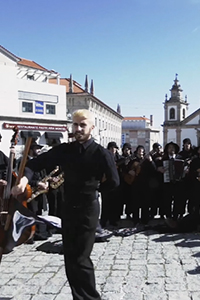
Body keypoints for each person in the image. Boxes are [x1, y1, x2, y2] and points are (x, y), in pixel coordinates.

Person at [12, 109, 119, 299]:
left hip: (88, 209)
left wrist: (94, 189)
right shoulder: (65, 150)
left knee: (81, 257)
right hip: (68, 208)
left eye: (82, 125)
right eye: (75, 124)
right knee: (69, 256)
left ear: (91, 128)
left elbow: (114, 182)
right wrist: (23, 181)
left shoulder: (101, 154)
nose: (78, 129)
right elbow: (33, 164)